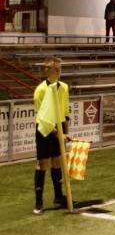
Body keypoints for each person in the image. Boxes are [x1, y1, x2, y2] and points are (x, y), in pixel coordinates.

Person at [33, 57, 70, 215]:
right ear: (49, 71)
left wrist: (65, 132)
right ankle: (39, 201)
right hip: (44, 128)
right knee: (43, 164)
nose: (60, 71)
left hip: (59, 126)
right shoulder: (40, 90)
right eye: (57, 69)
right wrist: (57, 134)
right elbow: (42, 117)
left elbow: (65, 111)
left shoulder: (64, 87)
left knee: (57, 161)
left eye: (60, 68)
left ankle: (58, 196)